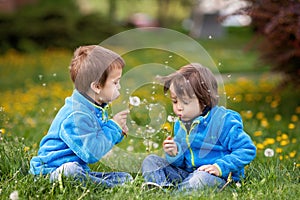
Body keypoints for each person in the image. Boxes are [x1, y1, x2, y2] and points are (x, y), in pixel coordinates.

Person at [142, 63, 256, 192]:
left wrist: (219, 167)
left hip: (218, 177)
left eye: (185, 102)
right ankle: (161, 187)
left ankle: (178, 193)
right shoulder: (181, 124)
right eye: (175, 101)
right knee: (151, 161)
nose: (178, 107)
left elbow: (247, 150)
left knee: (200, 179)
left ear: (204, 100)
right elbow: (183, 163)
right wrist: (175, 153)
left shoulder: (223, 120)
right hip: (189, 174)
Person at [29, 45, 133, 188]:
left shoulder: (94, 107)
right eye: (115, 82)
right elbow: (91, 153)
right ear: (96, 87)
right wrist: (114, 127)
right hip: (50, 171)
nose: (119, 87)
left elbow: (99, 137)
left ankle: (100, 183)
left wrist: (119, 131)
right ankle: (103, 185)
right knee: (71, 171)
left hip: (78, 168)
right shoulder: (76, 115)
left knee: (124, 178)